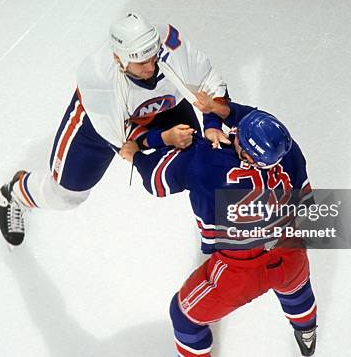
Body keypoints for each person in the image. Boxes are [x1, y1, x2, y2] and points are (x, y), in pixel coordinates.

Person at [0, 13, 230, 247]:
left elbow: (208, 80)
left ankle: (232, 235)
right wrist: (164, 138)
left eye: (153, 56)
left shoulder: (168, 44)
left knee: (210, 159)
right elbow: (127, 144)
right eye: (142, 62)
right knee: (68, 194)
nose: (152, 66)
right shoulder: (100, 82)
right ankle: (15, 193)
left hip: (165, 105)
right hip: (99, 125)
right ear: (119, 59)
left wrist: (212, 126)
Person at [119, 93, 318, 356]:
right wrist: (218, 111)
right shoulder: (287, 151)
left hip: (239, 270)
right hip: (290, 249)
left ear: (246, 153)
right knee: (297, 288)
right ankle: (306, 330)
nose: (234, 133)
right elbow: (252, 118)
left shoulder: (206, 162)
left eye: (239, 135)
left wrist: (135, 155)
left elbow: (157, 180)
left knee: (183, 317)